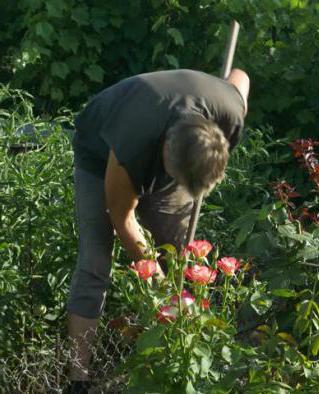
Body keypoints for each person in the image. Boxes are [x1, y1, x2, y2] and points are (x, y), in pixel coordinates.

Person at [66, 68, 250, 392]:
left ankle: (175, 358)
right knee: (96, 262)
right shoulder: (131, 145)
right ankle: (78, 378)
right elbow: (122, 220)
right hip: (99, 151)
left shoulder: (229, 112)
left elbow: (241, 77)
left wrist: (171, 278)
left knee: (179, 257)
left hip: (178, 142)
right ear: (166, 151)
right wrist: (160, 283)